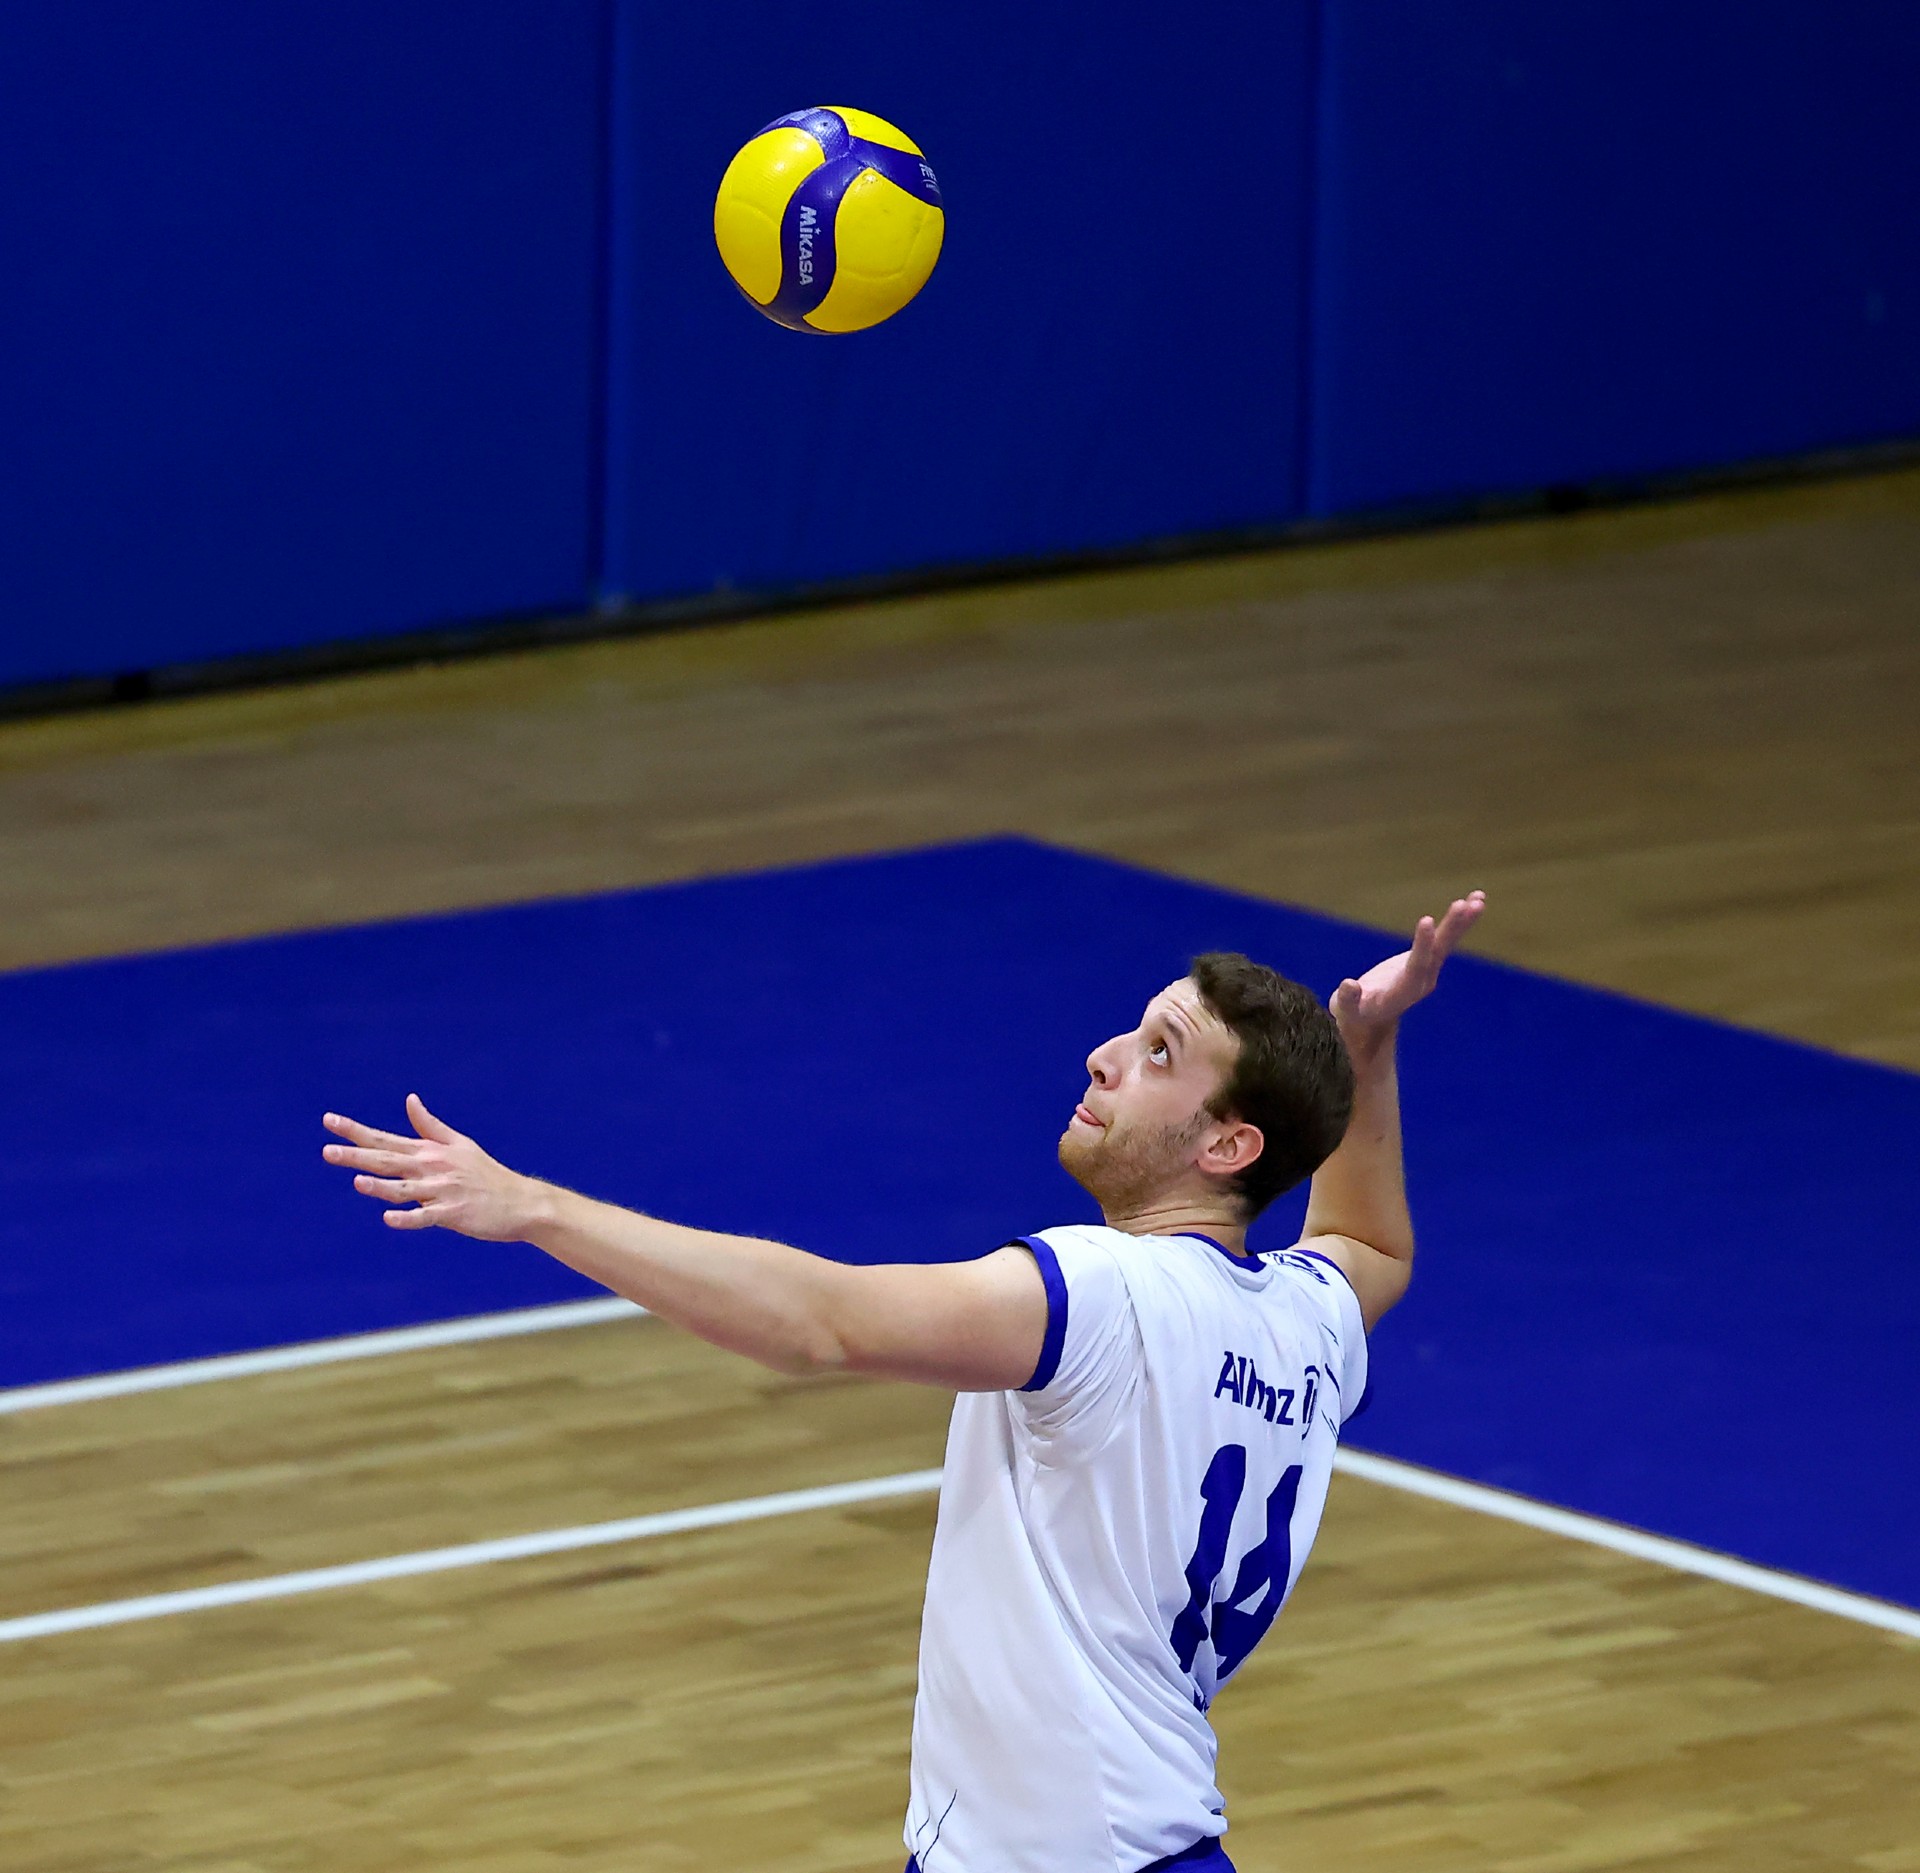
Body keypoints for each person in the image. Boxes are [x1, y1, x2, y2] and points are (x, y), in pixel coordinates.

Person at [322, 890, 1485, 1873]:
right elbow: (1371, 1242)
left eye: (1160, 1054)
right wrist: (1367, 1050)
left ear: (1228, 1146)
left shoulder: (1102, 1294)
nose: (1106, 1056)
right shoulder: (1304, 1321)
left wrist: (535, 1207)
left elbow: (819, 1323)